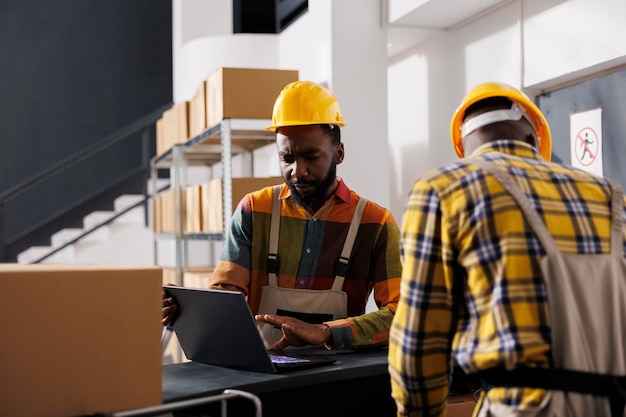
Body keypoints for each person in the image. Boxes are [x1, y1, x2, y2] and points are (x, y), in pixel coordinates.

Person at [388, 81, 626, 416]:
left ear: (465, 146)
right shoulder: (611, 196)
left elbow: (420, 342)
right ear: (533, 136)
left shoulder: (443, 189)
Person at [163, 80, 402, 351]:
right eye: (286, 158)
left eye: (311, 156)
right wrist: (192, 307)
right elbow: (226, 296)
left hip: (339, 379)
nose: (297, 172)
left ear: (339, 153)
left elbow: (403, 315)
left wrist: (326, 332)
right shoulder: (254, 210)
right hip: (261, 372)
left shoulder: (376, 224)